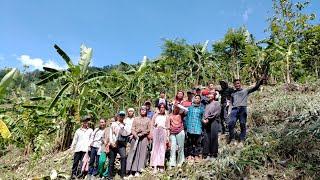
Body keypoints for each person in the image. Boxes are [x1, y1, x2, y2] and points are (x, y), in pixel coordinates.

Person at [228, 78, 265, 144]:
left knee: (242, 123)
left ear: (240, 84)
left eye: (238, 83)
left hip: (242, 109)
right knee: (231, 123)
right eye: (235, 84)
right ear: (234, 85)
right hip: (234, 109)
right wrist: (229, 111)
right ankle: (232, 139)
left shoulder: (245, 90)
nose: (237, 85)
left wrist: (260, 82)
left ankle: (242, 139)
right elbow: (231, 102)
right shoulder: (233, 93)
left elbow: (255, 88)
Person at [126, 106, 151, 177]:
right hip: (135, 138)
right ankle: (131, 170)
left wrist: (142, 134)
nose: (143, 111)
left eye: (144, 110)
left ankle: (138, 170)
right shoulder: (136, 119)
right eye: (142, 110)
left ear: (146, 111)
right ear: (139, 111)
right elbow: (132, 128)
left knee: (142, 154)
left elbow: (148, 129)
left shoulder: (148, 120)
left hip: (144, 138)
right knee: (133, 153)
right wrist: (136, 135)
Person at [108, 111, 130, 179]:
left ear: (124, 116)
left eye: (123, 115)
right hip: (113, 143)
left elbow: (128, 133)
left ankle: (122, 174)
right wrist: (111, 142)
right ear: (118, 116)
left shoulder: (126, 125)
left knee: (123, 157)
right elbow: (110, 133)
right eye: (120, 115)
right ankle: (110, 175)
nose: (121, 116)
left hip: (121, 144)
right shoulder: (114, 124)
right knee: (112, 160)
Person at [150, 103, 170, 174]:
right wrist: (151, 134)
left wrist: (168, 136)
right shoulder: (155, 115)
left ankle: (161, 165)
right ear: (159, 108)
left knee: (162, 148)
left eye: (163, 107)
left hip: (163, 131)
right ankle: (155, 166)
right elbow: (152, 125)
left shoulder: (167, 116)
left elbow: (168, 127)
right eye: (160, 107)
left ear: (165, 108)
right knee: (155, 148)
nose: (162, 108)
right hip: (156, 131)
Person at [185, 95, 205, 162]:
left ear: (200, 100)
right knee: (190, 142)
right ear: (193, 100)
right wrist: (186, 127)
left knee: (197, 143)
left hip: (198, 128)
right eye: (195, 98)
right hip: (190, 128)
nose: (197, 99)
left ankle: (196, 155)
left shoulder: (202, 109)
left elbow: (203, 118)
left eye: (198, 98)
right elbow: (187, 118)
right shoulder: (190, 108)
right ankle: (190, 155)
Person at [202, 93, 221, 159]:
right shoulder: (207, 105)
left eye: (211, 95)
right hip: (207, 122)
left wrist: (208, 118)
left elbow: (217, 113)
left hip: (214, 121)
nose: (209, 96)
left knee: (214, 137)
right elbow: (204, 114)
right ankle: (206, 153)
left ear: (214, 96)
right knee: (206, 137)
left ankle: (214, 153)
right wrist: (204, 119)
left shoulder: (216, 103)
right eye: (208, 95)